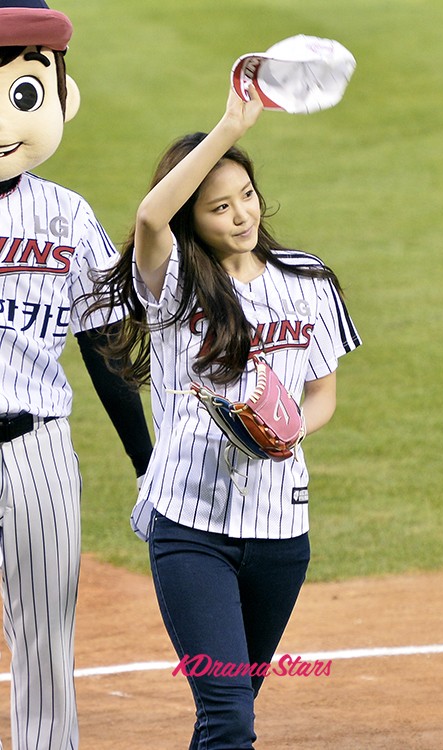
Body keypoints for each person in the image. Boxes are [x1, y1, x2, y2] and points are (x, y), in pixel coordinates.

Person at [89, 83, 361, 748]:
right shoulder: (177, 282)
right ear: (195, 218)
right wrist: (229, 128)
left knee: (229, 710)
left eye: (245, 196)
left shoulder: (308, 279)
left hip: (280, 532)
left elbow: (324, 392)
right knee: (231, 714)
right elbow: (152, 219)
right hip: (190, 528)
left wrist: (289, 427)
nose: (240, 214)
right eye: (217, 207)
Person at [0, 2, 153, 748]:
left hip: (38, 448)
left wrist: (146, 461)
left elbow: (104, 345)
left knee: (45, 633)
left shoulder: (64, 217)